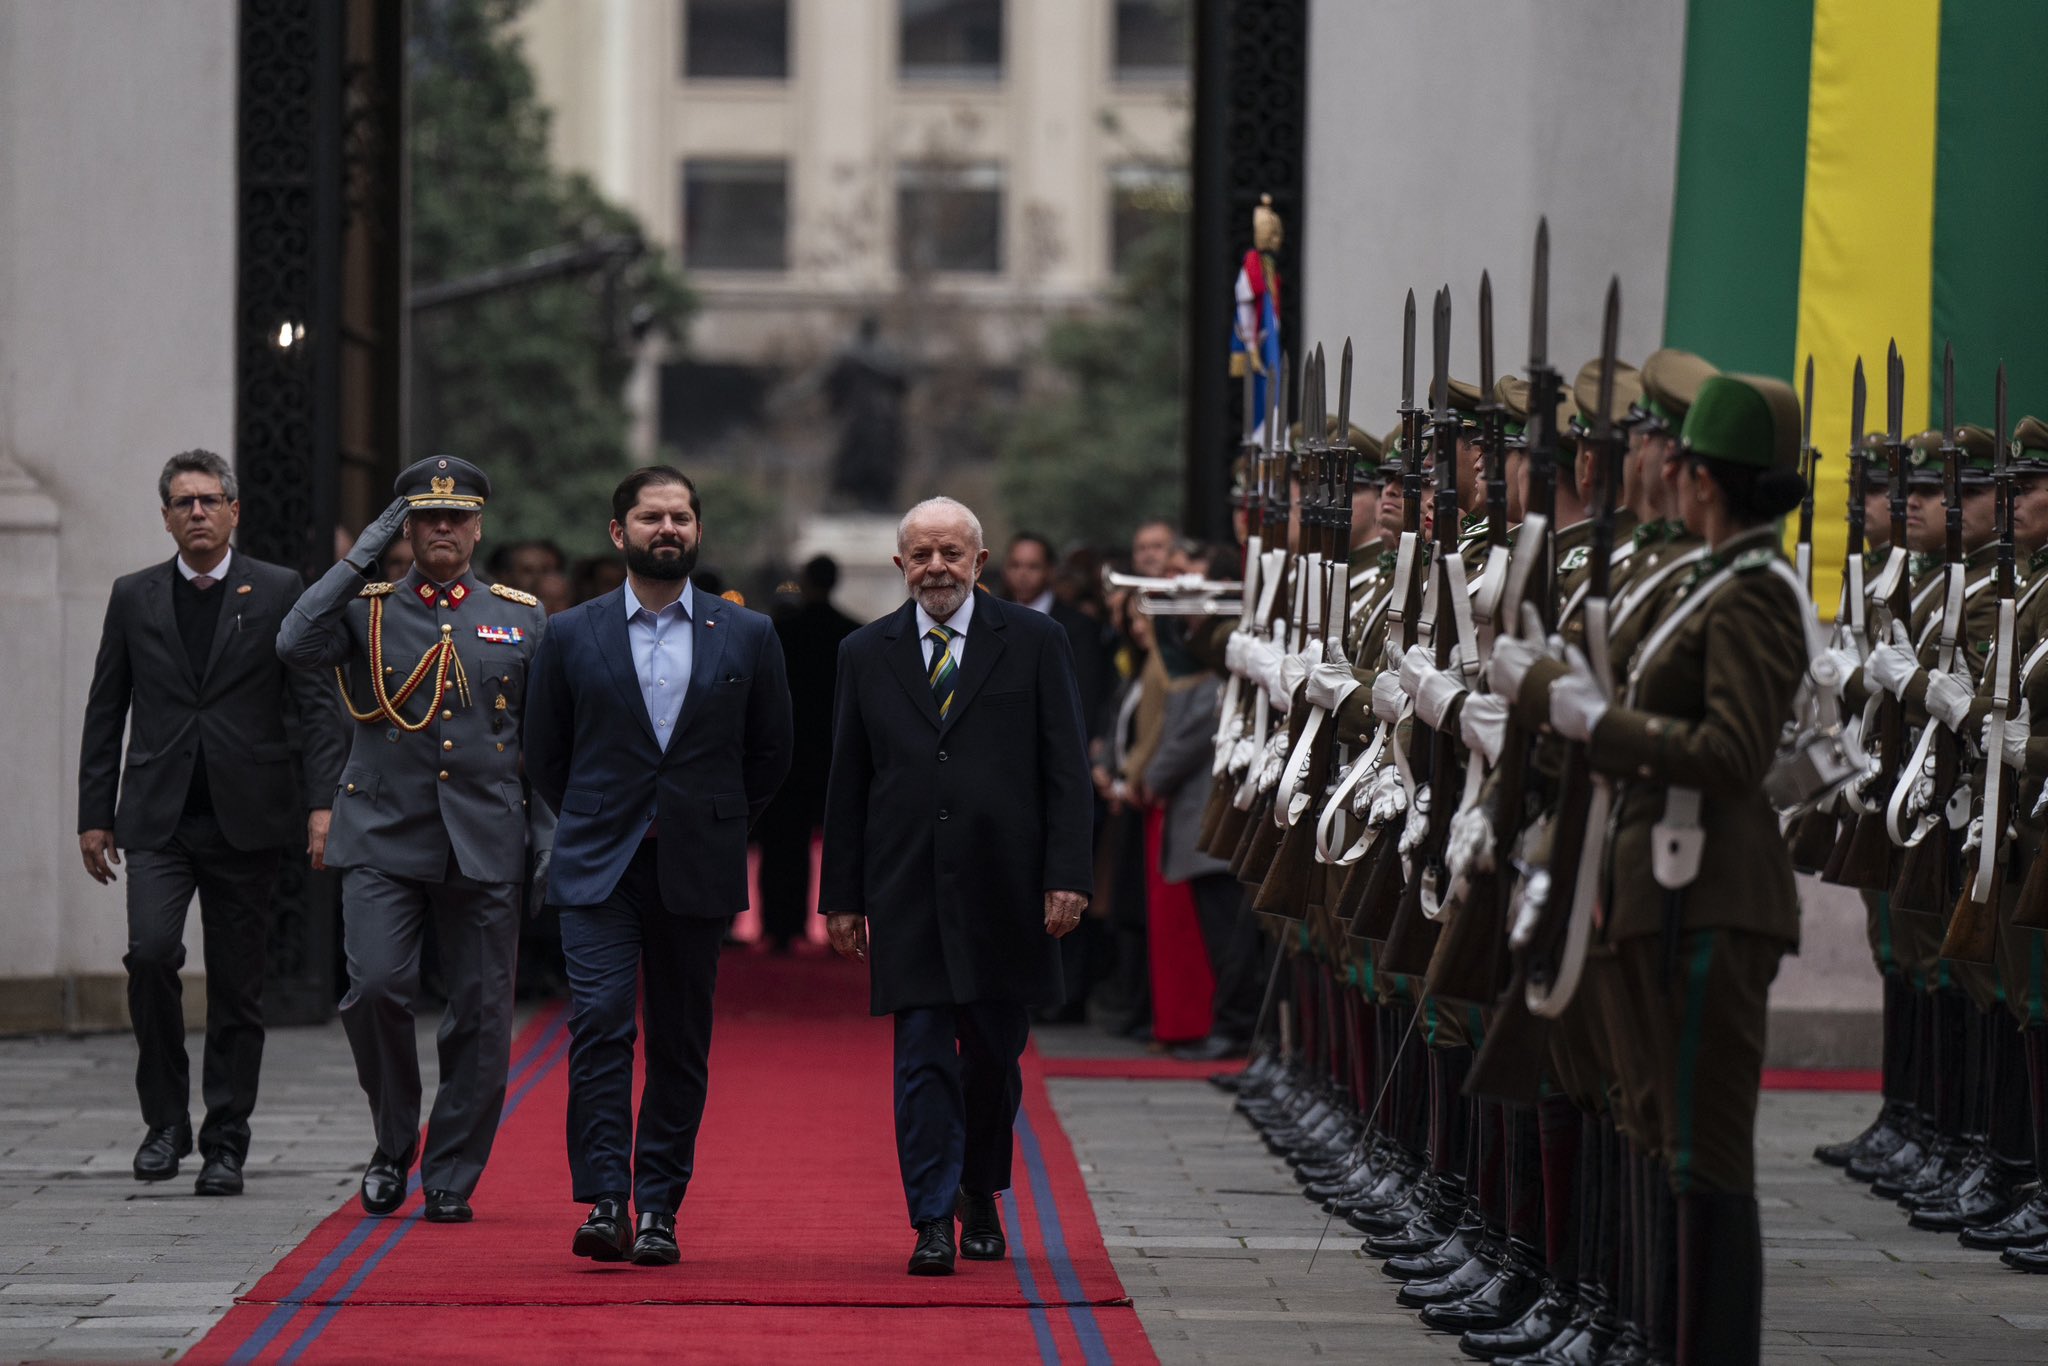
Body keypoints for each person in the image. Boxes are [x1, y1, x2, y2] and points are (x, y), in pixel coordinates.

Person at [1496, 373, 1811, 1364]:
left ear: (1701, 477)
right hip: (1650, 888)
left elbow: (1732, 753)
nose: (1657, 469)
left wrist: (1593, 719)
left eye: (1673, 457)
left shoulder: (1753, 590)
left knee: (1699, 1157)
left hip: (1709, 895)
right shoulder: (1702, 581)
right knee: (1649, 1132)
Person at [820, 496, 1094, 1276]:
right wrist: (842, 895)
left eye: (952, 553)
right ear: (900, 565)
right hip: (907, 886)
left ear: (980, 562)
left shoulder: (1036, 641)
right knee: (922, 1057)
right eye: (922, 554)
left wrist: (1067, 876)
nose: (936, 567)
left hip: (1006, 890)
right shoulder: (865, 653)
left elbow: (1066, 770)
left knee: (991, 1060)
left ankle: (981, 1188)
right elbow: (849, 781)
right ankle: (932, 1215)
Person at [525, 466, 792, 1265]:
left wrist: (715, 819)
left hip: (694, 864)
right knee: (600, 1023)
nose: (666, 528)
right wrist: (603, 810)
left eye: (680, 516)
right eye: (650, 517)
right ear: (619, 534)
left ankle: (660, 1208)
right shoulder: (571, 634)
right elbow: (546, 754)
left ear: (698, 531)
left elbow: (771, 753)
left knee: (679, 1041)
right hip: (599, 864)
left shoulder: (748, 634)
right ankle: (606, 1198)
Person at [277, 455, 550, 1224]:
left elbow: (548, 741)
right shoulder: (363, 608)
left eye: (456, 516)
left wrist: (548, 833)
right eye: (426, 516)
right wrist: (364, 552)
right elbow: (292, 643)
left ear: (477, 526)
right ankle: (393, 1140)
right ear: (404, 525)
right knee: (375, 989)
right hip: (383, 832)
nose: (442, 528)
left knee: (481, 1011)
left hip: (485, 838)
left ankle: (453, 1172)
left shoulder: (521, 615)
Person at [78, 449, 345, 1196]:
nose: (197, 512)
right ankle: (165, 1122)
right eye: (183, 502)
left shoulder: (281, 590)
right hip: (157, 817)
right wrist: (93, 814)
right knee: (152, 954)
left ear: (234, 511)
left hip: (247, 819)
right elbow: (107, 709)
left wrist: (324, 804)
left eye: (210, 500)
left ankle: (226, 1140)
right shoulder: (134, 596)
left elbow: (316, 707)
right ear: (165, 516)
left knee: (237, 987)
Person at [756, 555, 858, 953]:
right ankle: (844, 931)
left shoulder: (782, 633)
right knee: (843, 846)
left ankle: (781, 927)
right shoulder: (852, 634)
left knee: (783, 848)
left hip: (790, 756)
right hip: (836, 755)